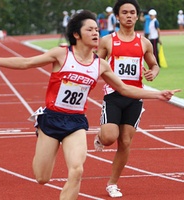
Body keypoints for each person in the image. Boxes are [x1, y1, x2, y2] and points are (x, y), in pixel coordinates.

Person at [0, 10, 179, 200]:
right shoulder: (61, 54)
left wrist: (158, 94)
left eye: (97, 29)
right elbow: (26, 63)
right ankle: (39, 128)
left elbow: (124, 89)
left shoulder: (100, 65)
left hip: (76, 122)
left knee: (77, 171)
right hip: (51, 119)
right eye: (90, 30)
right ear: (77, 35)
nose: (96, 33)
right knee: (42, 178)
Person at [95, 0, 162, 198]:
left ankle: (112, 183)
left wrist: (153, 73)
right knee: (109, 137)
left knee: (125, 142)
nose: (129, 16)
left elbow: (154, 65)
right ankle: (99, 137)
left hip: (135, 97)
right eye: (124, 12)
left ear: (137, 16)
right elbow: (97, 64)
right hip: (114, 95)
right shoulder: (108, 40)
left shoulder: (144, 42)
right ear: (117, 16)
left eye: (132, 12)